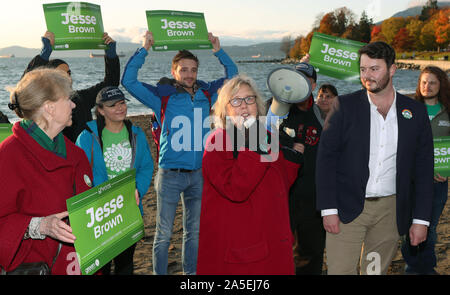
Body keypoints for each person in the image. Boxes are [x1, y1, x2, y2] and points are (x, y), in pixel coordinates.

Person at [121, 31, 238, 275]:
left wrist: (218, 50)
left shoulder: (208, 93)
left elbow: (234, 77)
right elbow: (129, 81)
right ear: (174, 71)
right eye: (183, 69)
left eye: (193, 69)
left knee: (193, 232)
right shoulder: (162, 97)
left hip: (198, 175)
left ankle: (190, 276)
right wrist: (144, 49)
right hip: (170, 175)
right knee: (163, 234)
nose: (189, 74)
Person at [316, 41, 434, 275]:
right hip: (346, 210)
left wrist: (421, 220)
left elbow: (423, 170)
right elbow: (325, 160)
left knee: (374, 271)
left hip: (390, 213)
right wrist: (328, 209)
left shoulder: (415, 112)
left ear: (392, 69)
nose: (367, 76)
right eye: (362, 69)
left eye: (374, 69)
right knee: (340, 271)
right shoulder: (344, 106)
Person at [196, 74, 301, 274]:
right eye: (235, 101)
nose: (244, 106)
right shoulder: (218, 142)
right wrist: (254, 148)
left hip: (272, 237)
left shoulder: (265, 135)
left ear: (258, 104)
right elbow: (235, 190)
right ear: (225, 110)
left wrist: (293, 160)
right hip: (244, 249)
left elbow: (281, 184)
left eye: (249, 99)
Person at [0, 68, 93, 274]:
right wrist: (39, 226)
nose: (74, 104)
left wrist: (119, 201)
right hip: (37, 266)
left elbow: (87, 208)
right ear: (49, 108)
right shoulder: (9, 154)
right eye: (68, 99)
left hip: (79, 263)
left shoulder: (76, 153)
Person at [76, 86, 154, 275]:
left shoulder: (136, 134)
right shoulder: (87, 136)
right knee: (100, 267)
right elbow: (79, 172)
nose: (120, 108)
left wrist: (138, 189)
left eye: (122, 103)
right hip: (99, 213)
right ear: (101, 110)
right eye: (112, 105)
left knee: (125, 265)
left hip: (127, 208)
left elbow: (146, 166)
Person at [266, 63, 327, 274]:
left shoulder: (322, 112)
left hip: (313, 194)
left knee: (311, 251)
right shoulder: (272, 108)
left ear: (313, 85)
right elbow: (256, 140)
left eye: (305, 80)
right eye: (295, 77)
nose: (299, 83)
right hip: (281, 195)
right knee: (277, 248)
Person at [23, 31, 120, 142]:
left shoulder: (81, 98)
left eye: (68, 73)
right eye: (61, 74)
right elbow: (24, 89)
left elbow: (111, 84)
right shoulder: (41, 104)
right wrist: (44, 54)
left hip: (84, 155)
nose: (67, 77)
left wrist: (111, 55)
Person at [401, 66, 450, 275]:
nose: (427, 87)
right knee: (409, 227)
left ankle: (426, 268)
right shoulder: (407, 108)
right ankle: (412, 267)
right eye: (423, 82)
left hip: (438, 182)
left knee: (429, 228)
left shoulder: (447, 110)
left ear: (441, 85)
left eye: (432, 83)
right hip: (410, 181)